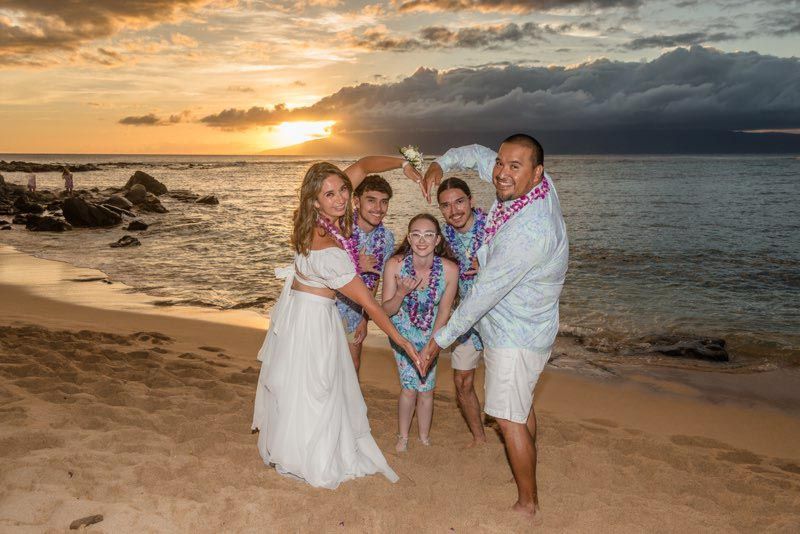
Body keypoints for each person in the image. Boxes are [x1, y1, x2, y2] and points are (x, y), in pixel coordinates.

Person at [419, 134, 569, 519]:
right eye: (501, 163)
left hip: (516, 335)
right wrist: (442, 162)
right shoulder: (525, 183)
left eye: (513, 167)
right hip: (526, 326)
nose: (501, 173)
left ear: (538, 174)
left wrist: (439, 342)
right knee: (519, 407)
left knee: (507, 417)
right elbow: (477, 155)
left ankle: (527, 503)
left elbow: (482, 296)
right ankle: (527, 471)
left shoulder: (530, 232)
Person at [251, 156, 423, 489]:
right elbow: (371, 304)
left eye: (343, 189)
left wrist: (404, 163)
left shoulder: (311, 217)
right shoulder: (330, 248)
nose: (341, 198)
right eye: (330, 194)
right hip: (313, 320)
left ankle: (289, 447)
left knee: (301, 385)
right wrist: (401, 341)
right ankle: (308, 455)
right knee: (319, 388)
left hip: (300, 311)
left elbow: (365, 163)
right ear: (315, 199)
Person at [381, 214, 458, 452]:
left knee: (427, 386)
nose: (422, 240)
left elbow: (445, 310)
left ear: (437, 240)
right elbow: (385, 310)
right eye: (416, 234)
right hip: (401, 334)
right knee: (409, 386)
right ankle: (403, 436)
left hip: (432, 333)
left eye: (428, 235)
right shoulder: (394, 264)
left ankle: (424, 437)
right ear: (409, 237)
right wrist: (401, 293)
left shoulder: (450, 270)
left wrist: (431, 346)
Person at [436, 178, 488, 447]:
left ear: (471, 200)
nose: (454, 210)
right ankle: (479, 438)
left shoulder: (494, 228)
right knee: (462, 382)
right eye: (445, 206)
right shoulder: (441, 240)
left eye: (459, 202)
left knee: (507, 384)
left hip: (497, 317)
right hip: (464, 319)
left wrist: (491, 263)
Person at [335, 175, 395, 376]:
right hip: (327, 308)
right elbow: (322, 268)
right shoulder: (339, 228)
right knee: (323, 367)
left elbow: (375, 280)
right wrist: (354, 264)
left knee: (352, 367)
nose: (378, 208)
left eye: (384, 202)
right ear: (356, 201)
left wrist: (364, 318)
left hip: (355, 311)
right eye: (371, 200)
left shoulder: (386, 239)